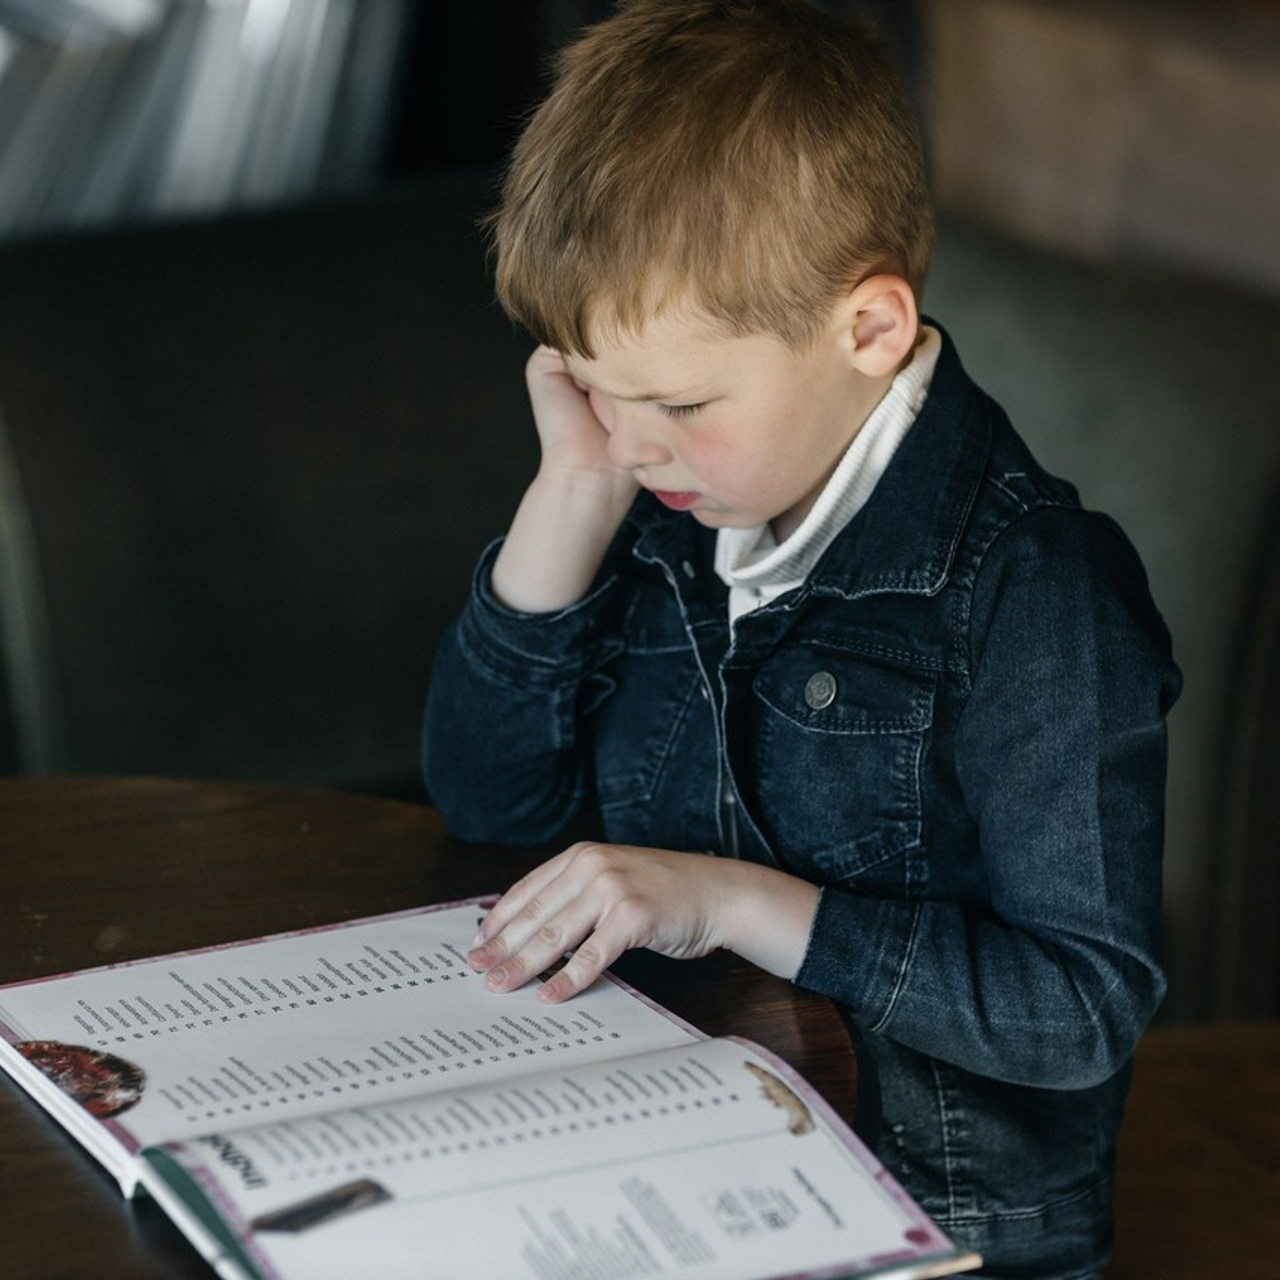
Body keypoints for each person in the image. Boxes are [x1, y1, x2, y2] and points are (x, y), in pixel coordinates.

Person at [422, 2, 1180, 1275]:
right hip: (665, 1159)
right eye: (593, 387)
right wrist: (565, 502)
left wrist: (727, 900)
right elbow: (486, 804)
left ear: (868, 330)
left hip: (938, 1225)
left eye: (676, 401)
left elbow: (1077, 1009)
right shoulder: (653, 499)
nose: (633, 439)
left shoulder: (1037, 593)